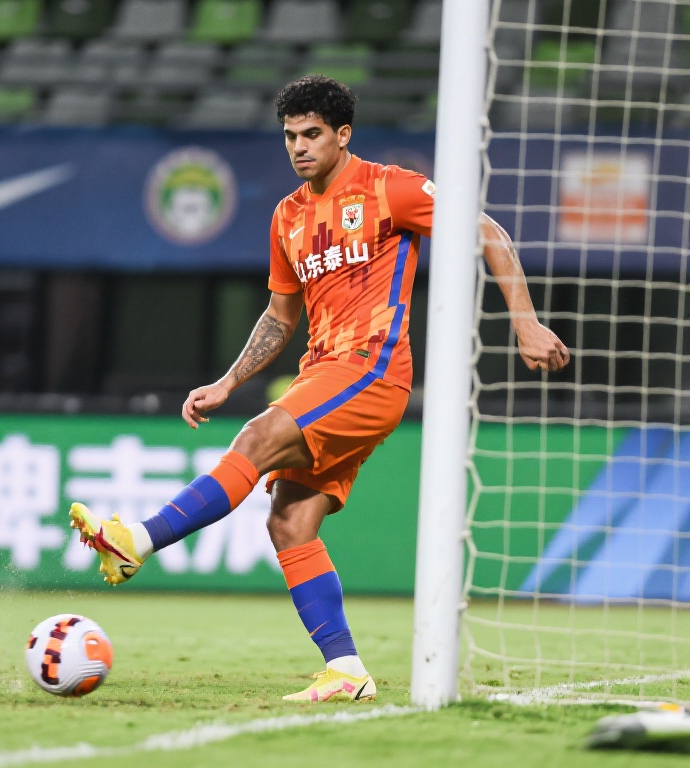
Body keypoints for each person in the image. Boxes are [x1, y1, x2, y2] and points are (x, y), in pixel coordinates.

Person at [70, 76, 570, 702]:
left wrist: (525, 322)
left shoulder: (391, 188)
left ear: (343, 135)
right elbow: (281, 316)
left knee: (257, 439)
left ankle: (136, 541)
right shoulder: (287, 216)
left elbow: (488, 232)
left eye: (312, 134)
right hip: (322, 372)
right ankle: (347, 670)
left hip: (372, 369)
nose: (299, 147)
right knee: (289, 523)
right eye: (290, 136)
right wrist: (228, 380)